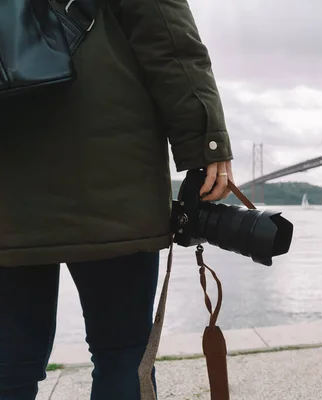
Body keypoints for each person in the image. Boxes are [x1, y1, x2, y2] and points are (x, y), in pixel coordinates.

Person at [0, 0, 234, 399]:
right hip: (109, 164)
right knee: (123, 353)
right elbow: (166, 35)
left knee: (8, 363)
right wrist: (205, 141)